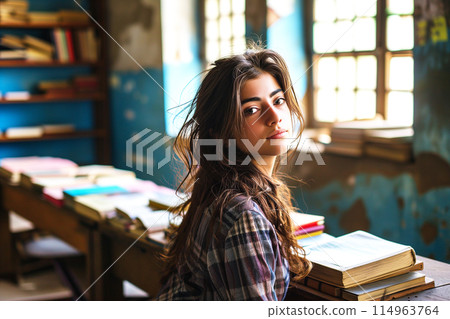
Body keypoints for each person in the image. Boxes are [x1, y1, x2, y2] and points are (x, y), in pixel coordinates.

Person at [156, 46, 311, 300]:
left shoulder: (219, 188)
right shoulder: (244, 215)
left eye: (278, 100)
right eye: (251, 109)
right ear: (221, 133)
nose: (274, 117)